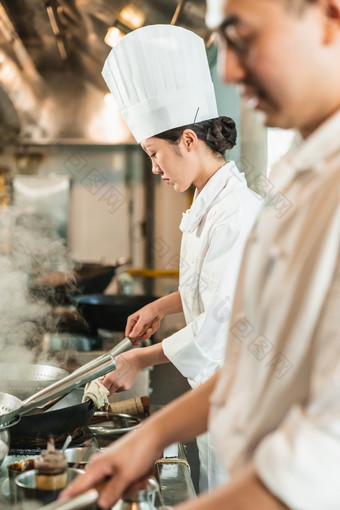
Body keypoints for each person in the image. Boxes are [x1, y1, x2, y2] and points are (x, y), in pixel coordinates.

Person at [62, 0, 340, 508]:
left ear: (329, 15)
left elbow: (320, 452)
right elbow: (253, 357)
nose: (230, 69)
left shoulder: (267, 206)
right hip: (232, 419)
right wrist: (152, 435)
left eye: (242, 36)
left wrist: (146, 365)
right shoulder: (301, 177)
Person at [99, 24, 261, 491]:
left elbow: (217, 325)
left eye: (155, 154)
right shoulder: (208, 202)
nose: (154, 168)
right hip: (216, 399)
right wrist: (160, 306)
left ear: (188, 140)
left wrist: (139, 360)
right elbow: (208, 288)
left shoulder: (235, 213)